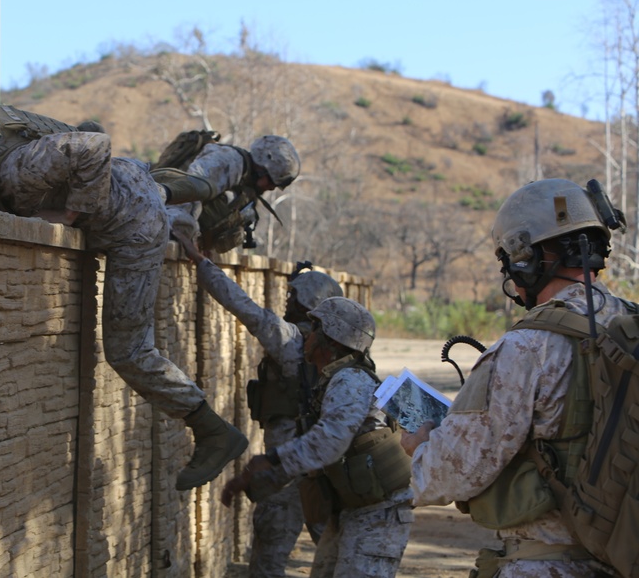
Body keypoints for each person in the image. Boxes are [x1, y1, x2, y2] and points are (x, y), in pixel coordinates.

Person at [0, 107, 248, 491]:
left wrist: (72, 214)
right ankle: (182, 187)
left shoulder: (16, 170)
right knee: (174, 187)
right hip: (133, 181)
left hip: (134, 225)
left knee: (128, 351)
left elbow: (94, 144)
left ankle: (213, 430)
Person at [401, 178, 629, 577]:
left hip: (549, 563)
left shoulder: (527, 347)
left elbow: (452, 473)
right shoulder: (630, 327)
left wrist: (419, 448)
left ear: (524, 259)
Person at [175, 232, 342, 577]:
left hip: (286, 466)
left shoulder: (292, 343)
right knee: (334, 547)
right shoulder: (338, 349)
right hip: (320, 463)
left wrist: (203, 265)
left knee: (268, 557)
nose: (287, 301)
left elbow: (243, 306)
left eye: (294, 296)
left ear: (310, 306)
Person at [220, 295, 414, 578]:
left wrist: (271, 459)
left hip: (377, 516)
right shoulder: (333, 380)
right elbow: (315, 458)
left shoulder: (349, 381)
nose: (306, 338)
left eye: (314, 331)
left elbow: (329, 442)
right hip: (352, 511)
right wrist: (262, 478)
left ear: (331, 341)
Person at [155, 135, 300, 253]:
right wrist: (180, 234)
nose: (271, 188)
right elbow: (187, 192)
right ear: (264, 168)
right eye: (272, 183)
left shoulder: (246, 184)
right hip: (159, 229)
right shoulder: (228, 161)